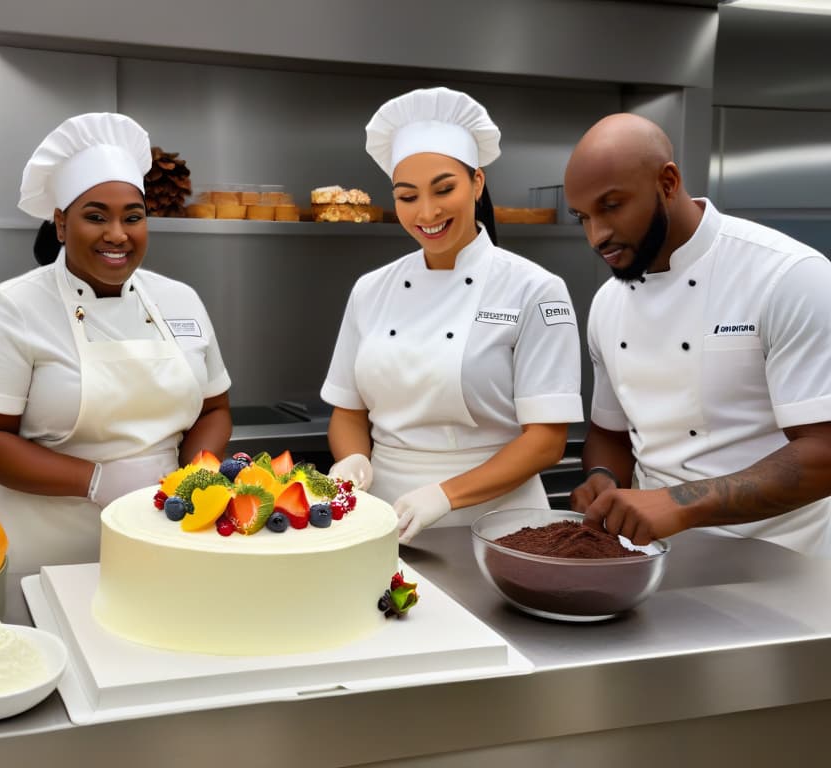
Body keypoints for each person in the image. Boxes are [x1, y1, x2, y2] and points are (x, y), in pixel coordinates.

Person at [0, 113, 232, 573]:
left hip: (163, 535)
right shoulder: (12, 308)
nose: (117, 234)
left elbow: (214, 409)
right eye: (95, 216)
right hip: (42, 549)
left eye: (133, 217)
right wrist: (97, 480)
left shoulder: (180, 299)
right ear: (61, 224)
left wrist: (196, 470)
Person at [321, 87, 583, 545]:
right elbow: (348, 410)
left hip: (500, 524)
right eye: (407, 196)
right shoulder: (371, 289)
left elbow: (546, 440)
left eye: (444, 189)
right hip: (383, 519)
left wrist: (444, 495)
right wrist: (353, 460)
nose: (427, 212)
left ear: (477, 183)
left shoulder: (535, 289)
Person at [564, 113, 831, 557]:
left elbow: (825, 451)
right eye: (582, 217)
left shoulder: (789, 276)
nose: (597, 236)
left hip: (784, 557)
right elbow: (610, 434)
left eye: (611, 206)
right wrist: (604, 480)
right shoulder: (609, 302)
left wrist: (681, 501)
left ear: (667, 183)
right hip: (654, 556)